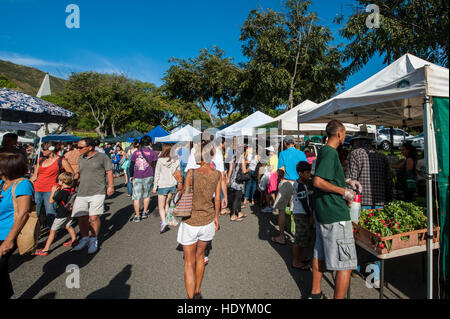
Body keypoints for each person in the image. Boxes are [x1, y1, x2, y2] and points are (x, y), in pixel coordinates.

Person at [309, 120, 358, 299]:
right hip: (335, 213)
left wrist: (347, 181)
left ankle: (315, 293)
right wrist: (344, 192)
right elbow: (318, 181)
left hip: (323, 212)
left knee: (319, 253)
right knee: (345, 264)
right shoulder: (330, 152)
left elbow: (325, 176)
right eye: (344, 134)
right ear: (339, 133)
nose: (344, 137)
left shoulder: (323, 151)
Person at [346, 135, 392, 285]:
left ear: (357, 142)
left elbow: (351, 179)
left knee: (357, 236)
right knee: (376, 239)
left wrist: (347, 199)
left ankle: (356, 268)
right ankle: (374, 274)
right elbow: (388, 181)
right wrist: (388, 201)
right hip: (379, 202)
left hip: (360, 202)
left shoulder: (355, 154)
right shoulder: (382, 156)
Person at [177, 143, 221, 299]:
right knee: (200, 257)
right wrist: (216, 217)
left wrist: (179, 182)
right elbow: (217, 200)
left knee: (189, 262)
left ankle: (191, 298)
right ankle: (197, 291)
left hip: (190, 221)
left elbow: (182, 196)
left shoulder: (192, 173)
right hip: (208, 220)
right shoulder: (217, 174)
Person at [71, 138, 114, 255]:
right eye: (77, 146)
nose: (77, 149)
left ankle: (94, 238)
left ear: (89, 147)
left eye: (80, 147)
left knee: (93, 217)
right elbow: (80, 174)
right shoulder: (81, 158)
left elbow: (109, 171)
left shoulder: (102, 157)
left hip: (98, 191)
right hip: (82, 192)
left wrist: (110, 186)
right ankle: (85, 238)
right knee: (81, 217)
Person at [0, 153, 34, 299]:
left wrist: (9, 240)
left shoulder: (23, 184)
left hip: (7, 233)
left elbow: (23, 214)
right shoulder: (1, 183)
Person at [30, 141, 75, 228]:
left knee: (50, 212)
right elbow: (35, 176)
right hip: (37, 189)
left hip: (51, 190)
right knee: (36, 213)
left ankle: (52, 233)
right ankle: (35, 232)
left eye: (44, 149)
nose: (42, 151)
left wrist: (62, 184)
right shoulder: (41, 160)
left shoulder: (61, 160)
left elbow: (71, 174)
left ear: (51, 150)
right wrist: (28, 184)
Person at [271, 137, 307, 245]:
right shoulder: (301, 154)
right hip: (299, 183)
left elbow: (280, 171)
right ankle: (297, 236)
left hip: (286, 182)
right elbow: (305, 170)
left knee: (282, 210)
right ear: (294, 142)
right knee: (296, 210)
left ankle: (281, 236)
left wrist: (279, 179)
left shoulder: (282, 153)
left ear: (285, 143)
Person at [33, 172, 77, 256]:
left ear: (62, 182)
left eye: (59, 180)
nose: (58, 181)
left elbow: (51, 201)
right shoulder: (71, 190)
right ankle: (74, 240)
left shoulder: (61, 192)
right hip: (69, 212)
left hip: (61, 215)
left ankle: (45, 249)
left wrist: (53, 192)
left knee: (52, 232)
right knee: (68, 226)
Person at [152, 144, 180, 233]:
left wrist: (154, 186)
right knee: (167, 203)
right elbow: (178, 173)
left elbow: (157, 174)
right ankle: (167, 220)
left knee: (161, 206)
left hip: (162, 184)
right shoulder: (176, 160)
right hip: (172, 184)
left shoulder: (160, 160)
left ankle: (164, 222)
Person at [129, 136, 158, 222]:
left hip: (137, 176)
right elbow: (155, 166)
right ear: (150, 143)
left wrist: (131, 175)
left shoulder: (136, 152)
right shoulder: (153, 153)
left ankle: (137, 216)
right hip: (149, 176)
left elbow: (131, 165)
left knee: (136, 197)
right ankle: (145, 212)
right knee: (146, 195)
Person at [291, 161, 314, 271]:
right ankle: (296, 261)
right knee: (299, 238)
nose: (309, 175)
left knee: (303, 237)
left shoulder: (301, 183)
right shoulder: (300, 186)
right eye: (307, 172)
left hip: (300, 213)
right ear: (300, 173)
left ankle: (300, 257)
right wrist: (310, 215)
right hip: (301, 213)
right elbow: (304, 203)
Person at [228, 146, 250, 222]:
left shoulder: (233, 157)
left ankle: (239, 212)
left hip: (233, 180)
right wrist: (249, 169)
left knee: (237, 197)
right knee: (237, 198)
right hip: (238, 180)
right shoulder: (242, 158)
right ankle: (233, 215)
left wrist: (228, 178)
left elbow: (230, 170)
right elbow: (244, 171)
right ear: (243, 152)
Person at [262, 146, 278, 213]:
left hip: (270, 175)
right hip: (274, 175)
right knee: (272, 192)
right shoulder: (276, 157)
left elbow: (271, 168)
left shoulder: (272, 158)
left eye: (269, 151)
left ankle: (269, 206)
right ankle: (274, 206)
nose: (268, 152)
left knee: (268, 192)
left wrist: (266, 169)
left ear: (271, 151)